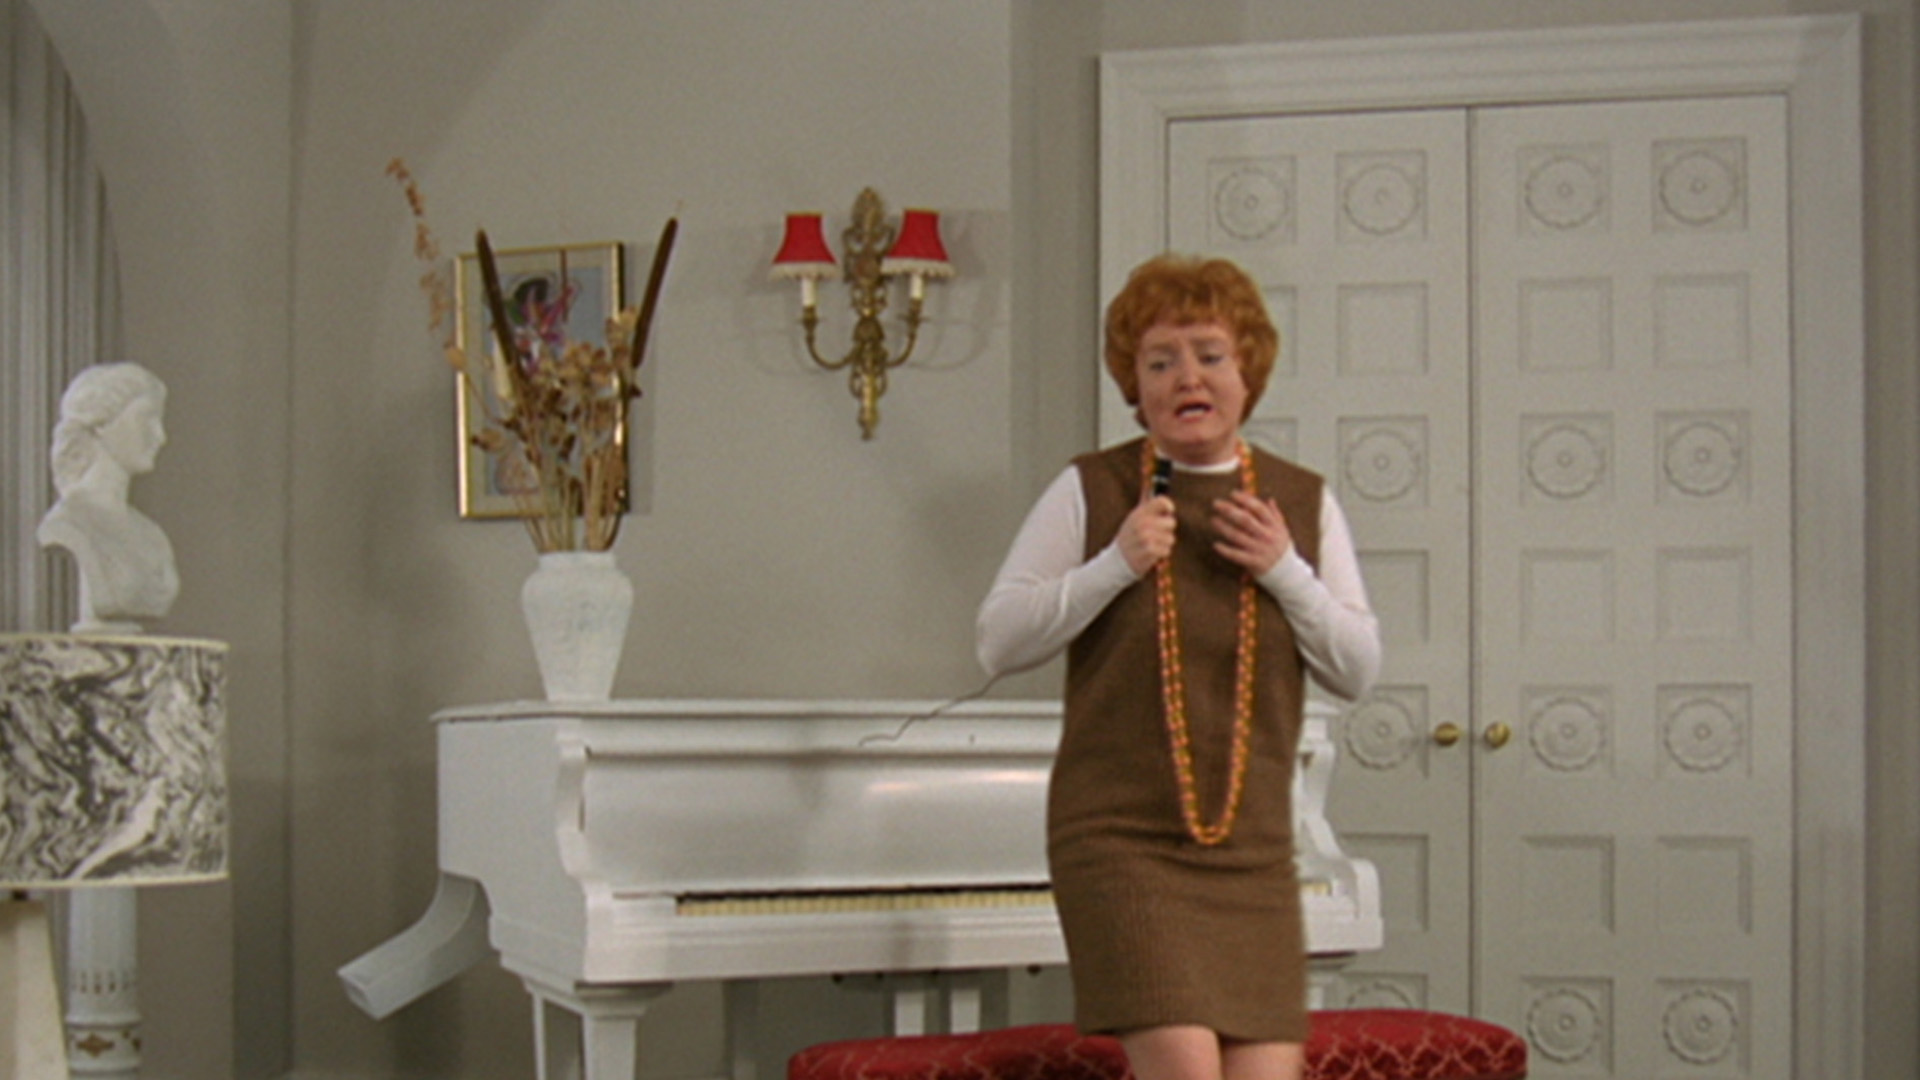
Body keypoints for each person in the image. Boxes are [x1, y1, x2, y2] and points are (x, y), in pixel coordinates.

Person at [976, 254, 1381, 1080]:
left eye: (1209, 354)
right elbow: (998, 641)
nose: (1186, 377)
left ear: (1247, 372)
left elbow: (1357, 669)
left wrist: (1284, 569)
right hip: (1122, 844)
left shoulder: (1302, 501)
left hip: (1252, 851)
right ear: (1135, 385)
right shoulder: (1092, 488)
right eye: (1159, 361)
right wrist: (1115, 564)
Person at [37, 362, 179, 633]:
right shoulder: (69, 523)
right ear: (101, 424)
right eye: (146, 418)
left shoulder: (152, 535)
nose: (160, 436)